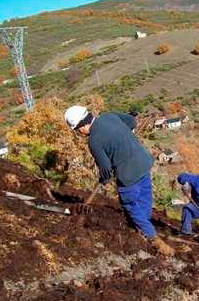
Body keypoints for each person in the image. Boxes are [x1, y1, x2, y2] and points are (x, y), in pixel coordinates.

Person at [64, 105, 173, 254]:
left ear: (81, 126)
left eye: (77, 130)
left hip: (128, 174)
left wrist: (104, 178)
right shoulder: (110, 116)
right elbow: (132, 123)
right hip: (143, 162)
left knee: (130, 203)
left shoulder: (94, 141)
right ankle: (142, 227)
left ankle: (152, 237)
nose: (79, 133)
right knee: (144, 198)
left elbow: (106, 168)